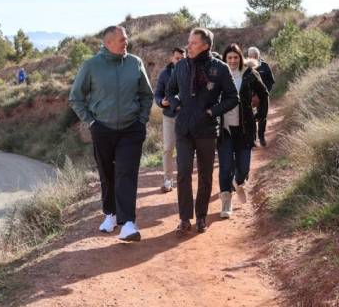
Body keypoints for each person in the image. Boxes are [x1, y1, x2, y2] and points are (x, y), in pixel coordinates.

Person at [69, 26, 154, 242]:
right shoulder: (91, 66)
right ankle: (110, 213)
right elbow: (76, 97)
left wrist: (142, 120)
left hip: (131, 128)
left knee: (126, 172)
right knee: (107, 174)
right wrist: (91, 121)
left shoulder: (135, 63)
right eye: (122, 39)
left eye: (126, 38)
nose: (126, 42)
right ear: (108, 43)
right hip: (103, 129)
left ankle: (127, 223)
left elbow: (147, 94)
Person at [167, 28, 237, 234]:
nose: (188, 46)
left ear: (205, 46)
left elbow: (233, 97)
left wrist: (212, 112)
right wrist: (176, 105)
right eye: (188, 42)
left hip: (207, 129)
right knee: (183, 173)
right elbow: (170, 90)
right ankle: (184, 219)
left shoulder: (220, 68)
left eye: (193, 43)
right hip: (183, 129)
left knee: (205, 176)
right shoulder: (181, 66)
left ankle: (201, 217)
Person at [217, 44, 269, 217]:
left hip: (245, 128)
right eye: (229, 58)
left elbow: (264, 94)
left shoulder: (249, 74)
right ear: (225, 59)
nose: (232, 60)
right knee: (225, 166)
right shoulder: (219, 75)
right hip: (224, 129)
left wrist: (261, 114)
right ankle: (226, 203)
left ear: (240, 58)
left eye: (235, 57)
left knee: (244, 168)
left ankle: (237, 182)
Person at [153, 47, 186, 192]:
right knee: (168, 148)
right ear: (172, 58)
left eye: (182, 58)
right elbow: (157, 94)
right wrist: (161, 102)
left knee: (184, 149)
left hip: (186, 116)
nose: (180, 60)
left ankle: (183, 179)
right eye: (177, 58)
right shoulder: (164, 74)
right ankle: (168, 180)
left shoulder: (191, 71)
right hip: (169, 116)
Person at [247, 47, 274, 146]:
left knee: (262, 116)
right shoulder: (246, 67)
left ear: (257, 56)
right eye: (250, 56)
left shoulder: (264, 66)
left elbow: (271, 81)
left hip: (263, 96)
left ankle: (261, 137)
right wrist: (251, 95)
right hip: (250, 97)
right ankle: (252, 138)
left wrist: (264, 94)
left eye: (254, 56)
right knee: (249, 117)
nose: (252, 58)